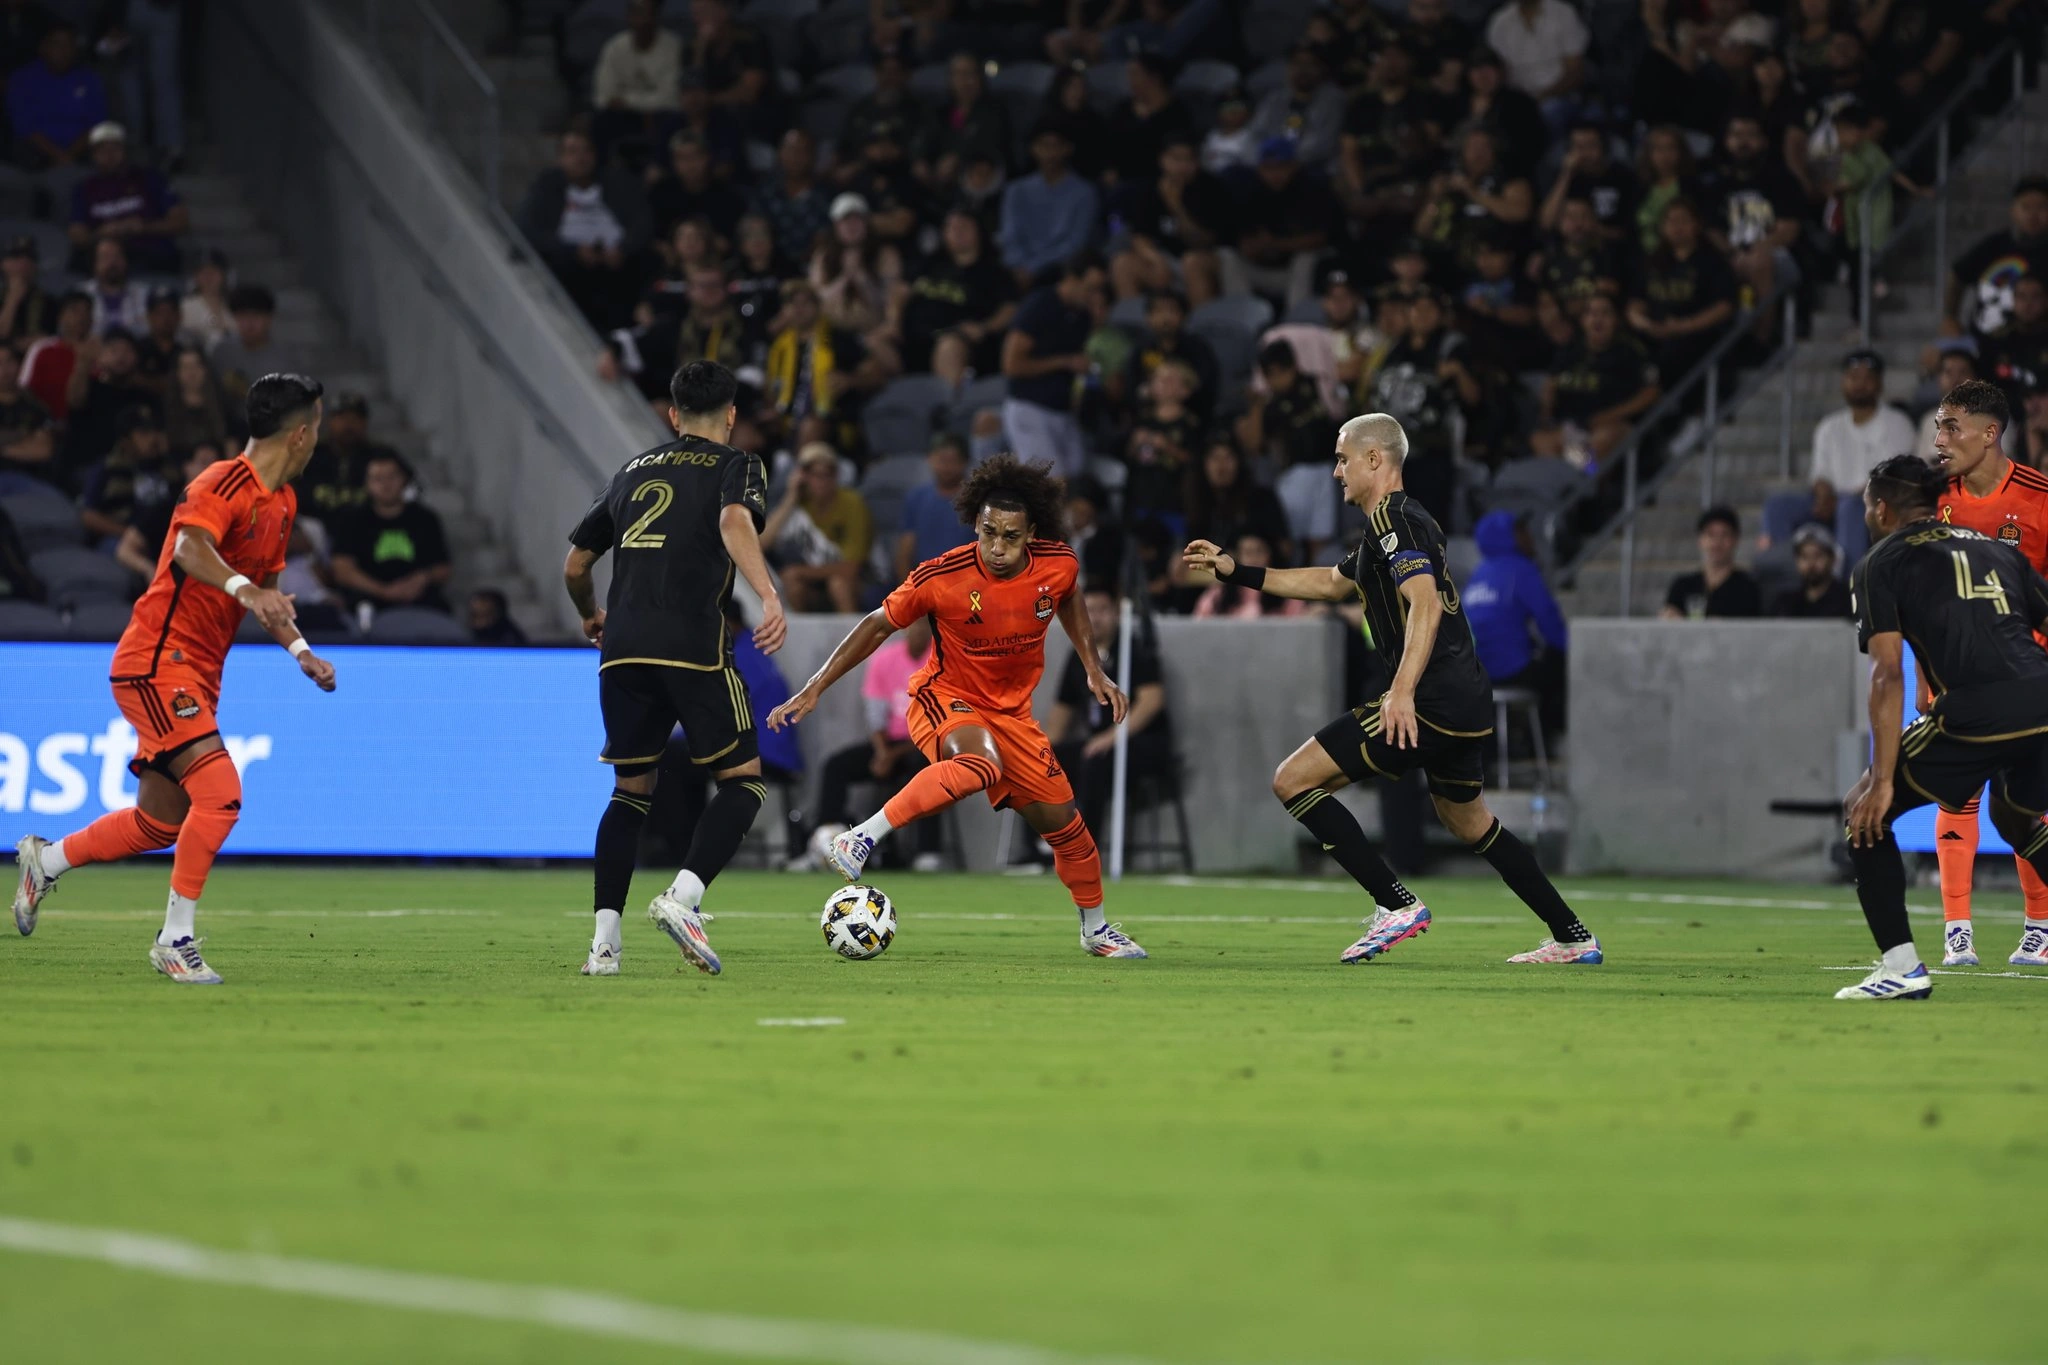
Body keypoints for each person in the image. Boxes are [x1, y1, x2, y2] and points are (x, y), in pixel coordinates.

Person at [1182, 413, 1602, 965]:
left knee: (1293, 780)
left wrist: (1401, 692)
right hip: (1464, 698)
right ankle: (1573, 935)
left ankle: (1395, 905)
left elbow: (1424, 602)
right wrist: (1238, 571)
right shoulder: (1395, 522)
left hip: (1428, 697)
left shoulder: (1392, 519)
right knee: (1467, 820)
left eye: (1342, 458)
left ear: (1375, 459)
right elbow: (1332, 583)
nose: (1336, 472)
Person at [11, 375, 337, 981]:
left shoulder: (284, 504)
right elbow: (190, 549)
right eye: (317, 425)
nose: (318, 438)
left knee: (158, 823)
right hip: (156, 662)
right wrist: (244, 588)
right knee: (221, 793)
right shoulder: (220, 481)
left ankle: (45, 861)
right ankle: (174, 940)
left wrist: (300, 651)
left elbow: (265, 595)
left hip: (198, 672)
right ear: (299, 433)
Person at [767, 454, 1149, 959]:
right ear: (975, 523)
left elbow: (1069, 599)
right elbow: (877, 624)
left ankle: (1095, 930)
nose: (996, 547)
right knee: (979, 765)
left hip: (1013, 716)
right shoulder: (940, 575)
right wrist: (817, 684)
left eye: (1011, 536)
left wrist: (1093, 667)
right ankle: (859, 838)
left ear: (1032, 532)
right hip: (946, 698)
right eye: (988, 531)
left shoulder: (1059, 565)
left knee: (1067, 827)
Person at [562, 360, 784, 978]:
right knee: (743, 782)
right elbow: (735, 520)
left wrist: (591, 616)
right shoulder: (737, 464)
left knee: (630, 793)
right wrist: (768, 594)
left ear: (672, 415)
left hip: (624, 647)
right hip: (692, 643)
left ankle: (603, 947)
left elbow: (576, 564)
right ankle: (683, 900)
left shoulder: (630, 471)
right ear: (732, 415)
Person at [1837, 454, 2048, 1001]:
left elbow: (1887, 674)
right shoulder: (1999, 550)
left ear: (1881, 509)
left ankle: (1902, 968)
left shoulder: (1881, 562)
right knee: (2017, 820)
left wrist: (1883, 778)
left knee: (1864, 810)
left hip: (1975, 713)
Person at [1924, 379, 2048, 968]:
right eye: (1938, 425)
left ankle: (2039, 929)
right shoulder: (1933, 501)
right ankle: (1957, 932)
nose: (1939, 437)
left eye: (1951, 426)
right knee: (1957, 792)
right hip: (1958, 678)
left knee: (2027, 801)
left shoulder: (2040, 498)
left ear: (1989, 433)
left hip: (2027, 679)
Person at [792, 614, 943, 873]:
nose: (918, 631)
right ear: (904, 628)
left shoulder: (943, 661)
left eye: (924, 627)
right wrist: (883, 752)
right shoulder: (884, 659)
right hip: (889, 743)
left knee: (929, 768)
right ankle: (826, 840)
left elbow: (941, 724)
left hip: (926, 744)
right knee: (836, 764)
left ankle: (927, 850)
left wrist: (892, 756)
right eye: (913, 625)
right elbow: (875, 715)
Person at [1048, 585, 1176, 836]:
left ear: (1117, 612)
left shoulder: (1134, 650)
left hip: (1141, 743)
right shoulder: (1078, 657)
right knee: (1043, 763)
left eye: (1103, 610)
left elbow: (1152, 700)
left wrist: (1110, 739)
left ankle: (1085, 848)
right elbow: (1062, 712)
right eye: (1089, 611)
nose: (1095, 618)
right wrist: (1036, 752)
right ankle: (1038, 849)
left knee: (1095, 761)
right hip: (1094, 743)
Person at [517, 127, 653, 331]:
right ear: (560, 158)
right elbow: (528, 229)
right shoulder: (546, 186)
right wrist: (573, 251)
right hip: (569, 268)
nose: (580, 158)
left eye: (586, 151)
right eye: (572, 151)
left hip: (616, 266)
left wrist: (623, 249)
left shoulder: (617, 181)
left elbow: (643, 221)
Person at [1464, 509, 1567, 735]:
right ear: (1508, 536)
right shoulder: (1521, 570)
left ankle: (1516, 737)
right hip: (1511, 671)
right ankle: (1544, 737)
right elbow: (1550, 623)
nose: (1530, 536)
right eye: (1522, 531)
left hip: (1477, 674)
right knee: (1566, 664)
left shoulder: (1479, 574)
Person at [1807, 349, 1915, 564]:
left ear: (1880, 384)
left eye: (1868, 378)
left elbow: (1888, 479)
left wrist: (1840, 500)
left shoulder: (1898, 422)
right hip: (1834, 501)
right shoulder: (1828, 426)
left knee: (1851, 507)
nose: (1860, 384)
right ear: (1843, 382)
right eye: (1853, 377)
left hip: (1877, 507)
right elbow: (1820, 474)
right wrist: (1823, 495)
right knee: (1780, 506)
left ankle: (1850, 586)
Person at [1001, 251, 1102, 480]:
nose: (1094, 296)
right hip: (1030, 407)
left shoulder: (1082, 316)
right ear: (1072, 279)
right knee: (1051, 485)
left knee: (1076, 474)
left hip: (1063, 411)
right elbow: (1012, 365)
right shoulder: (1040, 306)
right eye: (1090, 288)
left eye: (1099, 290)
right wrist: (1064, 362)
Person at [327, 451, 454, 615]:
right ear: (366, 483)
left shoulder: (425, 519)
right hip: (367, 601)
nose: (386, 484)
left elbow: (443, 567)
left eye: (392, 477)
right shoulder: (352, 520)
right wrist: (384, 591)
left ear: (404, 479)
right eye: (378, 479)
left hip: (418, 600)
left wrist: (422, 578)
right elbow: (342, 569)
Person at [761, 441, 871, 613]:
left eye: (826, 475)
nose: (820, 482)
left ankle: (855, 638)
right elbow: (761, 544)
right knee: (793, 584)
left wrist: (801, 572)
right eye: (813, 475)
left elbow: (852, 567)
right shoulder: (797, 504)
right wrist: (790, 498)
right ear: (802, 477)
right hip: (812, 586)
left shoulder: (852, 503)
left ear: (835, 476)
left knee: (838, 584)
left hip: (853, 582)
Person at [67, 121, 186, 275]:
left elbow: (180, 221)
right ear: (94, 155)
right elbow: (76, 233)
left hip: (148, 251)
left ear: (125, 151)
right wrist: (101, 233)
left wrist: (143, 226)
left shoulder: (150, 178)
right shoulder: (85, 188)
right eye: (102, 150)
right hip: (104, 255)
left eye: (115, 148)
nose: (109, 155)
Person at [996, 123, 1100, 290]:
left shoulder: (1085, 192)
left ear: (1067, 149)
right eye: (1044, 146)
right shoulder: (1015, 190)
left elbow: (1076, 243)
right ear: (1033, 149)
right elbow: (1010, 236)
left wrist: (1034, 268)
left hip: (1060, 271)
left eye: (1056, 146)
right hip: (1016, 270)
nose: (1050, 153)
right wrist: (1020, 267)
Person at [1945, 177, 2048, 339]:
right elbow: (1958, 275)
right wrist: (1949, 318)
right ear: (2013, 211)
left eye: (2042, 207)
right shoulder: (1993, 247)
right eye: (2026, 207)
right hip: (1988, 344)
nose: (2033, 216)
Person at [894, 431, 975, 580]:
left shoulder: (977, 499)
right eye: (941, 460)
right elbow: (904, 552)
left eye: (953, 461)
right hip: (924, 582)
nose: (946, 467)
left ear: (965, 462)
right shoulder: (916, 498)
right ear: (930, 460)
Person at [1662, 505, 1761, 619]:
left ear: (1735, 540)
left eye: (1724, 535)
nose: (1717, 543)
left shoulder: (1748, 589)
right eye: (1710, 535)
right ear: (1700, 540)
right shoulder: (1682, 586)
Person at [1771, 524, 1852, 619]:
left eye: (1818, 556)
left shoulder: (1847, 600)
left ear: (1832, 559)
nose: (1811, 564)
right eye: (1804, 557)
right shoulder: (1785, 604)